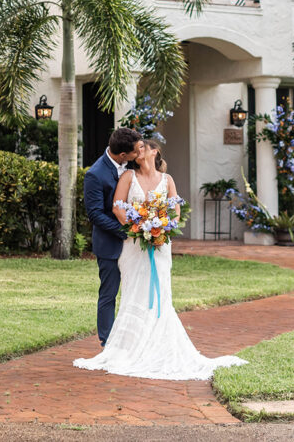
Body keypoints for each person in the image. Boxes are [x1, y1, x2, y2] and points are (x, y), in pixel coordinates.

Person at [74, 139, 248, 380]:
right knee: (134, 292)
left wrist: (165, 226)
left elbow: (175, 209)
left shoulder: (167, 180)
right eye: (137, 148)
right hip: (134, 245)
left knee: (161, 295)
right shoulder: (127, 176)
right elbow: (117, 208)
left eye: (143, 147)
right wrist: (138, 227)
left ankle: (160, 344)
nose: (139, 151)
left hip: (160, 244)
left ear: (155, 151)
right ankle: (127, 347)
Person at [82, 127, 142, 347]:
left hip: (135, 245)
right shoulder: (95, 174)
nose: (139, 154)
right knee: (109, 294)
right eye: (136, 151)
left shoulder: (131, 165)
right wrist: (126, 231)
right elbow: (95, 214)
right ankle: (107, 341)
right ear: (123, 155)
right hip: (109, 243)